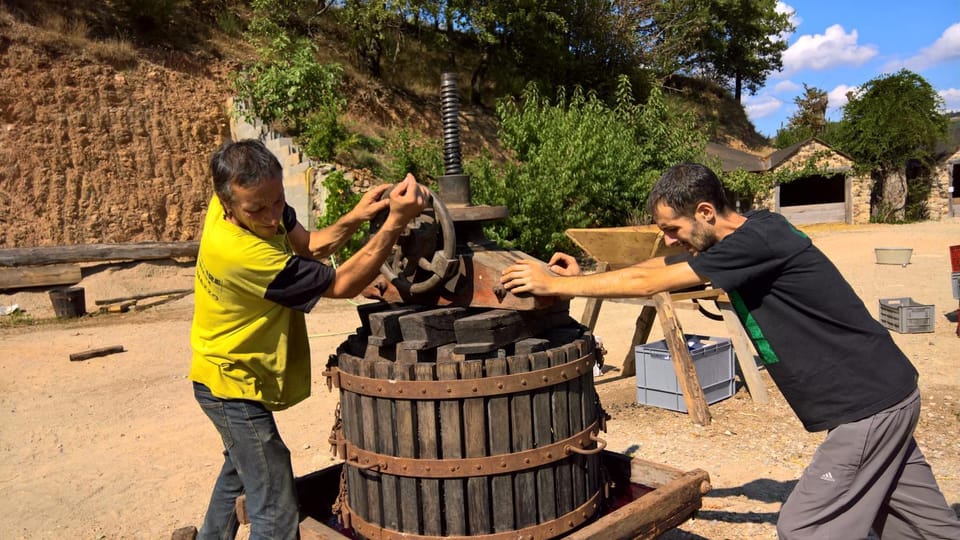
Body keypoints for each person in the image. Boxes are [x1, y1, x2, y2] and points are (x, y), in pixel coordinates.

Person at [500, 163, 960, 539]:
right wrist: (586, 274)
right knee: (922, 530)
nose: (670, 239)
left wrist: (559, 286)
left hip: (869, 407)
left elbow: (651, 279)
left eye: (673, 228)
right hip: (888, 394)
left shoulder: (756, 242)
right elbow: (661, 266)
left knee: (806, 528)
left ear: (704, 211)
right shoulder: (754, 230)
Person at [189, 139, 427, 539]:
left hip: (226, 370)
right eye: (257, 210)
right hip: (230, 382)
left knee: (241, 469)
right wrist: (395, 222)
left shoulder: (243, 206)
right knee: (276, 504)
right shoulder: (241, 253)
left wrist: (355, 217)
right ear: (226, 203)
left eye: (278, 202)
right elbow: (344, 284)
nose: (271, 217)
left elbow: (310, 245)